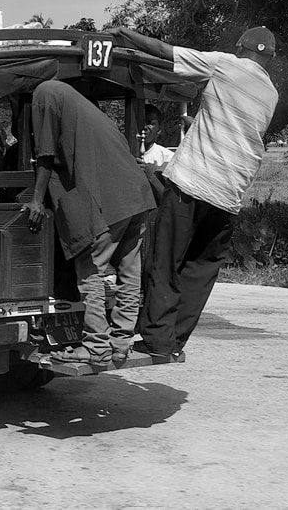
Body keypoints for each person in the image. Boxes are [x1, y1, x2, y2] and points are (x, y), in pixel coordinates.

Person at [106, 25, 279, 362]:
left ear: (240, 46)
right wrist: (197, 124)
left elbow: (164, 51)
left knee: (166, 261)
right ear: (269, 58)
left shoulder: (225, 64)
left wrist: (126, 34)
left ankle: (156, 338)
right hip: (229, 194)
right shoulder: (271, 92)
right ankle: (174, 342)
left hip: (192, 184)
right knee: (200, 270)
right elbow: (234, 126)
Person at [22, 80, 156, 368]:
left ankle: (96, 346)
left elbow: (45, 154)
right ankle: (120, 343)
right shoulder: (82, 107)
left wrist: (35, 199)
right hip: (137, 197)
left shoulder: (45, 94)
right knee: (129, 273)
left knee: (90, 273)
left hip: (110, 203)